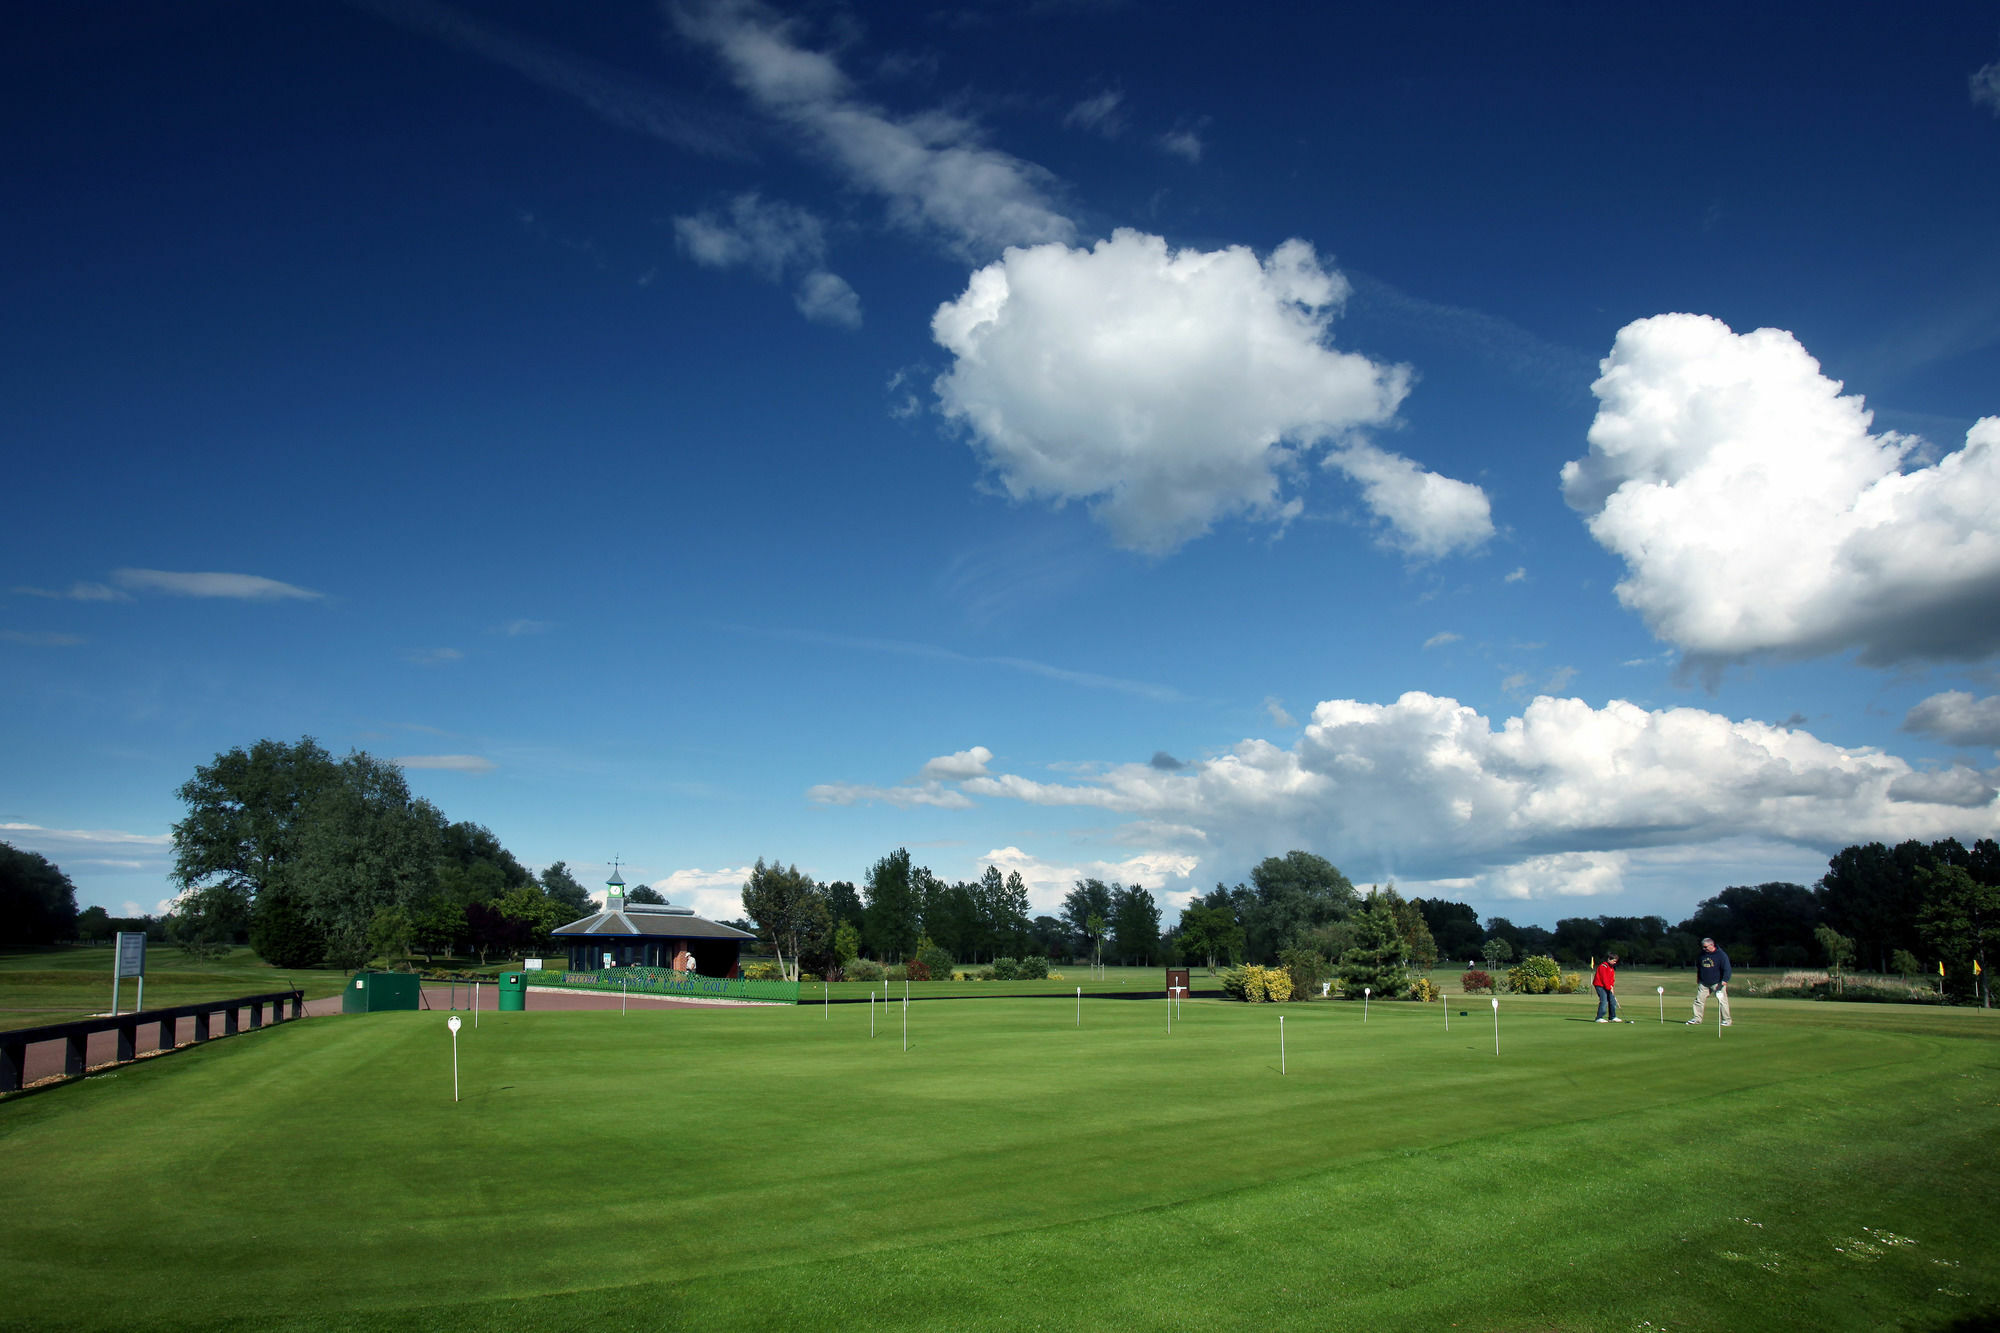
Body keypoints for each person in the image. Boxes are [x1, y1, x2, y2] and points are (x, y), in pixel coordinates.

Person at [1688, 937, 1732, 1026]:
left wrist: (1725, 979)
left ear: (1712, 945)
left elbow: (1727, 968)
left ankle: (1726, 1020)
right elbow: (1699, 967)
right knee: (1699, 1001)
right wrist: (1698, 978)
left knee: (1722, 1001)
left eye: (1705, 947)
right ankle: (1697, 1019)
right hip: (1704, 983)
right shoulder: (1702, 955)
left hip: (1717, 982)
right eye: (1703, 947)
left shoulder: (1721, 955)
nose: (1704, 949)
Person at [1593, 953, 1621, 1022]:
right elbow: (1604, 979)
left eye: (1616, 961)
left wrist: (1612, 987)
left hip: (1607, 986)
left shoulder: (1611, 968)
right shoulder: (1603, 966)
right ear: (1609, 959)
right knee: (1604, 1001)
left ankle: (1612, 1017)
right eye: (1614, 961)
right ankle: (1599, 1018)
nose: (1615, 962)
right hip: (1600, 986)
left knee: (1612, 1001)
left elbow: (1611, 979)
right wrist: (1609, 988)